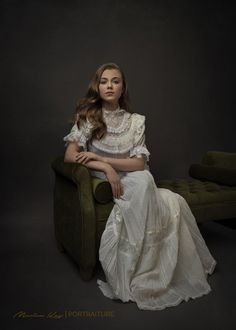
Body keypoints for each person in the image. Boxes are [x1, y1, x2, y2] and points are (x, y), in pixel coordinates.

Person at [63, 62, 216, 310]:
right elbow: (70, 156)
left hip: (132, 176)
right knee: (151, 187)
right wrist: (104, 168)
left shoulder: (135, 121)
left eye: (115, 81)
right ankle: (132, 269)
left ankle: (149, 269)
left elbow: (139, 163)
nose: (109, 85)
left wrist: (103, 159)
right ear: (98, 87)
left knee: (149, 182)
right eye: (104, 81)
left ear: (123, 88)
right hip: (102, 178)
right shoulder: (88, 118)